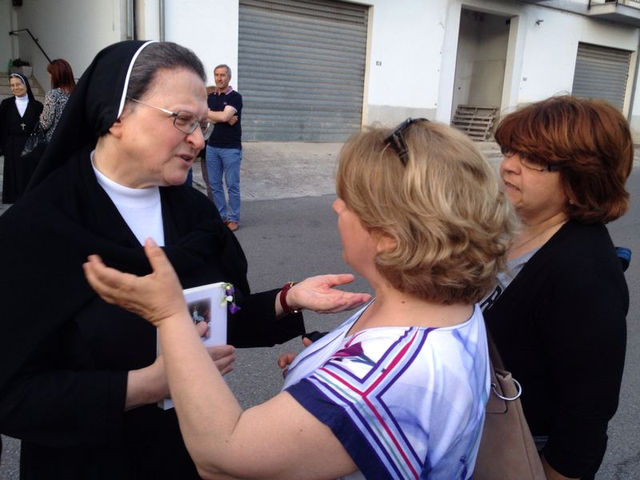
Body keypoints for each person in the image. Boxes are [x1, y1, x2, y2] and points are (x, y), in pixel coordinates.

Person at [0, 40, 368, 480]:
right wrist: (144, 387)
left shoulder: (194, 212)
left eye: (201, 124)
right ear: (116, 116)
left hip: (184, 453)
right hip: (85, 464)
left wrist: (288, 300)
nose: (197, 139)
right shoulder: (37, 229)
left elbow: (216, 316)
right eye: (181, 120)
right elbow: (11, 396)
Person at [84, 118, 515, 479]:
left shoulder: (384, 377)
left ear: (387, 238)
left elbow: (223, 455)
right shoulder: (440, 304)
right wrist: (322, 379)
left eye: (348, 200)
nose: (336, 208)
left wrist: (170, 314)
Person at [480, 95, 632, 480]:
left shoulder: (585, 273)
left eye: (532, 158)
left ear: (583, 175)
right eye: (510, 150)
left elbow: (587, 413)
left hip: (524, 447)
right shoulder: (513, 228)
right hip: (482, 430)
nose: (509, 166)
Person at [205, 64, 242, 231]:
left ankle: (233, 218)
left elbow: (223, 115)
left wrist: (220, 116)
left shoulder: (235, 97)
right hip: (212, 147)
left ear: (229, 77)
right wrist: (223, 117)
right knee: (215, 184)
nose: (219, 78)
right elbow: (204, 116)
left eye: (222, 75)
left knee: (232, 185)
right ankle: (221, 217)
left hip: (230, 148)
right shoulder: (210, 97)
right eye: (216, 75)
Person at [0, 73, 43, 203]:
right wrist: (3, 146)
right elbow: (1, 127)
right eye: (12, 85)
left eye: (18, 84)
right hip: (12, 144)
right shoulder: (6, 104)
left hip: (30, 145)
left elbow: (41, 128)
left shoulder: (37, 106)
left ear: (26, 85)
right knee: (13, 175)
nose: (15, 87)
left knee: (29, 174)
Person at [39, 58, 76, 142]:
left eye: (50, 74)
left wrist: (41, 117)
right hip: (74, 140)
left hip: (55, 141)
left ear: (56, 75)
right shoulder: (78, 92)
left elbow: (45, 123)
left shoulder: (53, 94)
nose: (50, 76)